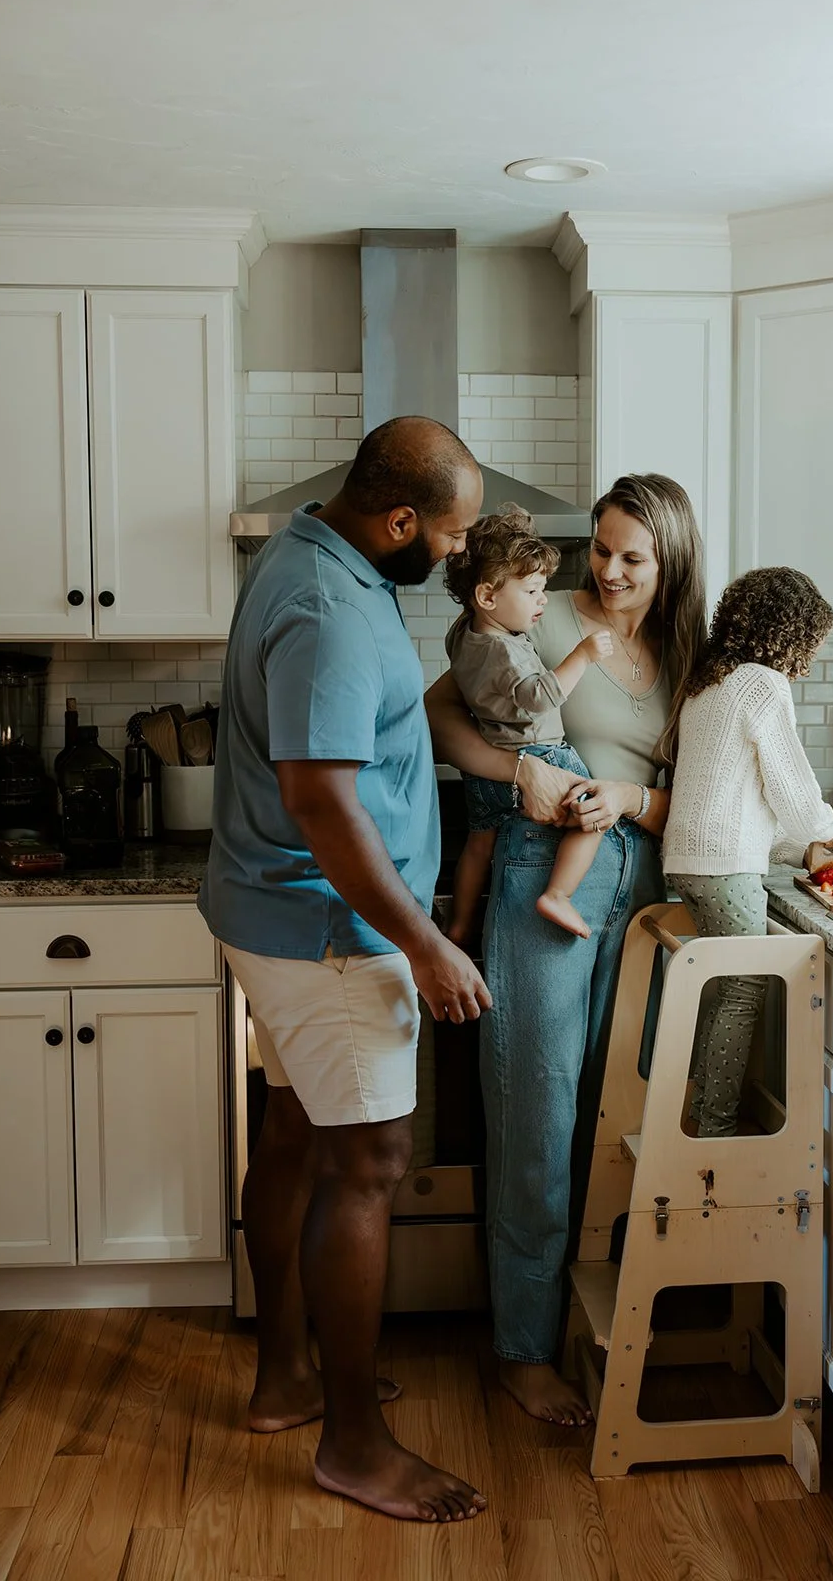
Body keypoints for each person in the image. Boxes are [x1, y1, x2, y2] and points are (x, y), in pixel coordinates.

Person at [198, 416, 492, 1523]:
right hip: (330, 933)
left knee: (292, 1133)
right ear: (400, 519)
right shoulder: (327, 609)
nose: (459, 555)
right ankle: (354, 1448)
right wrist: (424, 942)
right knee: (368, 1162)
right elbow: (321, 800)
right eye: (452, 537)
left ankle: (286, 1376)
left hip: (272, 915)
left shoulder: (313, 552)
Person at [427, 472, 704, 1427]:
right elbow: (438, 717)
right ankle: (520, 1350)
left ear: (669, 560)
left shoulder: (686, 655)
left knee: (613, 1118)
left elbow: (700, 796)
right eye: (602, 550)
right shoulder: (534, 620)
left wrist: (633, 802)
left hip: (649, 889)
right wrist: (523, 771)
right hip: (543, 874)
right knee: (537, 1114)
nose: (613, 571)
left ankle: (604, 1323)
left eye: (634, 556)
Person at [661, 566, 833, 1137]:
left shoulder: (710, 682)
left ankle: (699, 1114)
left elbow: (732, 804)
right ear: (791, 634)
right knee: (743, 990)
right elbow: (790, 785)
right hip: (725, 869)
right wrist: (827, 827)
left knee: (727, 987)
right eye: (813, 642)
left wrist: (803, 852)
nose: (813, 656)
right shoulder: (763, 685)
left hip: (692, 861)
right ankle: (715, 1129)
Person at [442, 504, 615, 944]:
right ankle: (558, 894)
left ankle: (459, 925)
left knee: (478, 845)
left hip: (485, 767)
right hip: (540, 754)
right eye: (534, 591)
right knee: (595, 814)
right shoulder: (507, 651)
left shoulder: (464, 633)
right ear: (487, 597)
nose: (542, 601)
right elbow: (541, 697)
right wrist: (583, 654)